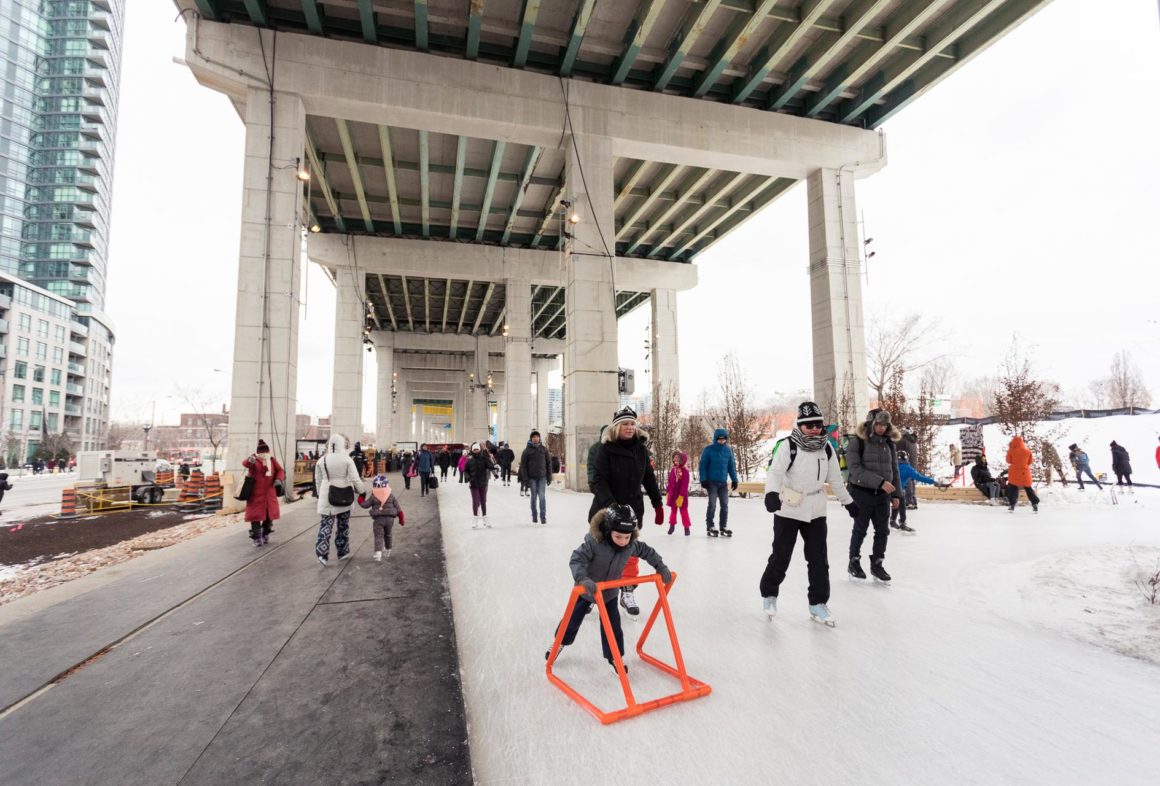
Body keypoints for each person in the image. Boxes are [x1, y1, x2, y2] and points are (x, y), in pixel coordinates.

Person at [761, 401, 857, 627]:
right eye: (809, 425)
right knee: (781, 556)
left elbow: (835, 480)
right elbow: (775, 473)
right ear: (801, 426)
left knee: (818, 560)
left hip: (816, 510)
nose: (815, 428)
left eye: (818, 424)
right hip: (789, 508)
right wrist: (771, 494)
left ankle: (818, 603)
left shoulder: (827, 448)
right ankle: (769, 594)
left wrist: (849, 502)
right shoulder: (788, 446)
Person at [546, 504, 671, 674]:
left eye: (627, 537)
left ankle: (615, 657)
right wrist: (583, 579)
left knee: (613, 627)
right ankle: (559, 643)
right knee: (571, 621)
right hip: (586, 591)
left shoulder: (630, 545)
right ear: (607, 530)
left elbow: (647, 551)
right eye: (618, 536)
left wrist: (660, 566)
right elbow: (577, 559)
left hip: (609, 594)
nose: (623, 541)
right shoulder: (594, 543)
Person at [590, 406, 664, 618]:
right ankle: (593, 593)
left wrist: (657, 504)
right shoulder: (606, 449)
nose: (630, 427)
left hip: (632, 511)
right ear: (616, 427)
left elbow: (648, 478)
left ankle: (627, 591)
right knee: (601, 555)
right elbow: (598, 481)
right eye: (626, 424)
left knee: (630, 554)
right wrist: (612, 506)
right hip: (606, 512)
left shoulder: (640, 450)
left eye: (633, 423)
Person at [846, 409, 903, 584]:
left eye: (885, 424)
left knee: (883, 531)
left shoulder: (889, 444)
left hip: (883, 495)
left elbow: (894, 470)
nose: (881, 428)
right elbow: (854, 469)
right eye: (878, 424)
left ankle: (877, 564)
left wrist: (896, 494)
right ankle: (854, 562)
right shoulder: (857, 442)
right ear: (871, 423)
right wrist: (880, 482)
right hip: (861, 492)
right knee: (860, 528)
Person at [313, 433, 367, 565]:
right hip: (345, 496)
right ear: (343, 444)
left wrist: (321, 495)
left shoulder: (322, 460)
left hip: (328, 496)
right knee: (343, 525)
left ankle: (322, 554)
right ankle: (342, 551)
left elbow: (318, 481)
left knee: (326, 525)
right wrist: (362, 491)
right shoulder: (347, 459)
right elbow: (355, 479)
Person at [241, 439, 285, 547]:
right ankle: (256, 538)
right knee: (255, 517)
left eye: (266, 452)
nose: (264, 454)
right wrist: (249, 459)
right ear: (258, 452)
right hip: (255, 494)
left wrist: (278, 479)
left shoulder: (271, 460)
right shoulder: (254, 459)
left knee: (269, 516)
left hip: (269, 493)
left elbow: (280, 470)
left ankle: (265, 534)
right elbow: (245, 463)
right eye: (262, 452)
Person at [698, 428, 739, 537]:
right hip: (711, 482)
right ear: (715, 439)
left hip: (723, 483)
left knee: (725, 505)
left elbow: (731, 466)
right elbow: (703, 466)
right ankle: (710, 525)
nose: (721, 441)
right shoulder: (708, 450)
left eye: (723, 439)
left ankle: (723, 526)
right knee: (712, 504)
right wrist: (703, 479)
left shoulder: (728, 450)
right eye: (719, 439)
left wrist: (734, 479)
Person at [890, 450, 942, 533]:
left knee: (896, 504)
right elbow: (919, 477)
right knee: (902, 506)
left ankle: (892, 521)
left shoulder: (891, 465)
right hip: (899, 491)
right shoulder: (908, 468)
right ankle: (902, 523)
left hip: (888, 489)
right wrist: (933, 482)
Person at [359, 474, 404, 562]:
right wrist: (401, 519)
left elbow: (365, 505)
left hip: (378, 520)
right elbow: (398, 509)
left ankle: (378, 553)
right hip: (390, 519)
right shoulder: (391, 496)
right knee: (388, 534)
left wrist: (361, 498)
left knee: (378, 536)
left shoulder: (373, 496)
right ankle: (388, 550)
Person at [520, 430, 551, 525]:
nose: (536, 438)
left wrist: (549, 477)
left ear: (539, 438)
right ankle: (534, 515)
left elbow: (548, 464)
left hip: (542, 477)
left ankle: (543, 516)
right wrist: (525, 480)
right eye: (534, 437)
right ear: (531, 439)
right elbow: (523, 466)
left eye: (537, 437)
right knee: (533, 497)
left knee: (542, 497)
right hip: (531, 478)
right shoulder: (526, 451)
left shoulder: (544, 449)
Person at [464, 442, 495, 529]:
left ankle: (485, 518)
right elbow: (465, 471)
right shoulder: (469, 461)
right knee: (475, 501)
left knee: (483, 501)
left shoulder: (484, 459)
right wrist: (468, 478)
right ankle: (475, 519)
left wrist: (494, 471)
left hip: (483, 483)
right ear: (472, 451)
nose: (476, 451)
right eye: (474, 450)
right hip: (473, 483)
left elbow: (490, 466)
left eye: (477, 449)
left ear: (479, 450)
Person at [1005, 436, 1040, 512]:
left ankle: (1012, 505)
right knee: (1028, 488)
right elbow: (1030, 462)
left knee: (1013, 488)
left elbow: (1008, 460)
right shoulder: (1027, 451)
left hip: (1014, 472)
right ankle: (1035, 503)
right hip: (1025, 472)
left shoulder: (1011, 450)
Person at [665, 452, 692, 536]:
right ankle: (672, 526)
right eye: (675, 457)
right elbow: (670, 482)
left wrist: (681, 496)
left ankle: (686, 527)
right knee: (673, 511)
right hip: (673, 495)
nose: (675, 459)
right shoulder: (673, 470)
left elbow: (684, 485)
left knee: (684, 512)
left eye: (678, 458)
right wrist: (668, 492)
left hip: (681, 496)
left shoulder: (685, 471)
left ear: (682, 460)